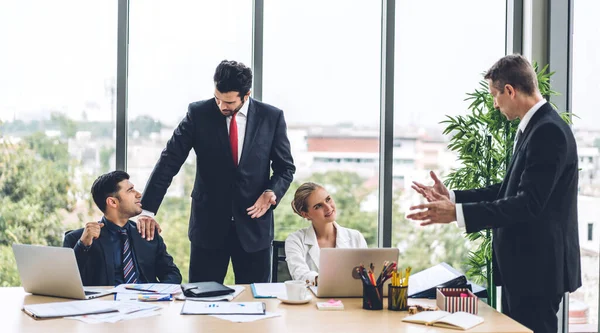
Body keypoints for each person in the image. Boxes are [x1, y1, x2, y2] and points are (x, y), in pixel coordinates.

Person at [407, 54, 581, 333]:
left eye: (494, 95)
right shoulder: (536, 128)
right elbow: (507, 189)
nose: (494, 103)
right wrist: (453, 198)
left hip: (537, 271)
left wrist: (457, 214)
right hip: (526, 270)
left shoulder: (548, 131)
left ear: (510, 90)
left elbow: (528, 204)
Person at [137, 60, 295, 284]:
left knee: (257, 302)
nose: (221, 106)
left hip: (254, 228)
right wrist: (148, 210)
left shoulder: (271, 117)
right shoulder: (198, 113)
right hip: (208, 228)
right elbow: (169, 161)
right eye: (217, 97)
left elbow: (285, 167)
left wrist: (271, 192)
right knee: (200, 303)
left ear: (246, 94)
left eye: (229, 101)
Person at [63, 171, 182, 286]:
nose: (139, 194)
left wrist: (156, 293)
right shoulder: (79, 239)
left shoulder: (147, 232)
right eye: (130, 190)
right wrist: (83, 245)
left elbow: (172, 274)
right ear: (113, 202)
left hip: (147, 302)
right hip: (106, 304)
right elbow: (67, 282)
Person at [285, 182, 367, 286]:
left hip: (349, 300)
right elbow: (300, 275)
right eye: (318, 206)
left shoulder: (356, 237)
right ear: (306, 214)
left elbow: (366, 276)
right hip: (311, 300)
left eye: (328, 199)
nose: (328, 208)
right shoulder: (295, 240)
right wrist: (326, 280)